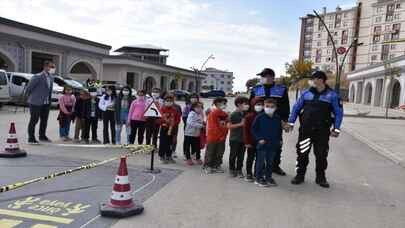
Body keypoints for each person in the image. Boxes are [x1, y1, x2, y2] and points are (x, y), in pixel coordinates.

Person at [287, 71, 343, 188]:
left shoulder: (332, 95)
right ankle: (300, 175)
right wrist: (291, 122)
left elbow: (338, 113)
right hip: (306, 130)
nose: (311, 81)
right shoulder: (306, 93)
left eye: (313, 79)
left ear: (321, 80)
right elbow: (296, 108)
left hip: (322, 131)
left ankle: (321, 177)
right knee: (302, 153)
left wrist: (336, 128)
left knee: (321, 154)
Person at [250, 68, 290, 176]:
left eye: (265, 76)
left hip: (276, 121)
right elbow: (251, 105)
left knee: (277, 144)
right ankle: (260, 166)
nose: (263, 78)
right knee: (260, 143)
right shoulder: (255, 89)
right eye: (262, 76)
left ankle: (275, 166)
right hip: (260, 121)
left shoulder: (281, 89)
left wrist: (285, 121)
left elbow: (286, 106)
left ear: (271, 77)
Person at [251, 98, 283, 187]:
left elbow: (279, 130)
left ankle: (268, 177)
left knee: (270, 162)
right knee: (260, 162)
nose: (269, 108)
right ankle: (258, 178)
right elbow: (253, 129)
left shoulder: (277, 118)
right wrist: (259, 139)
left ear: (275, 108)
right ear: (264, 107)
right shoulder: (259, 117)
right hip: (262, 144)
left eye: (272, 107)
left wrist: (280, 140)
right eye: (267, 106)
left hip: (273, 144)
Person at [25, 60, 55, 144]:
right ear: (45, 67)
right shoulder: (37, 76)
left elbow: (49, 90)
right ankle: (31, 138)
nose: (53, 69)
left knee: (44, 120)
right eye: (51, 67)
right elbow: (29, 88)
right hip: (35, 102)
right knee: (34, 120)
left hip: (46, 103)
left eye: (53, 67)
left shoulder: (51, 77)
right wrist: (33, 98)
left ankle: (42, 136)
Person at [204, 97, 229, 174]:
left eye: (225, 103)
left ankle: (217, 165)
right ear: (217, 103)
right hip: (213, 136)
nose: (225, 105)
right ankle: (208, 166)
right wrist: (220, 135)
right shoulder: (212, 113)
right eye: (223, 103)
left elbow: (227, 125)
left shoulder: (225, 114)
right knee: (210, 151)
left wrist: (224, 135)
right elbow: (213, 126)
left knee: (220, 152)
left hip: (222, 137)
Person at [227, 96, 249, 178]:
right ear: (239, 104)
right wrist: (240, 124)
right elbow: (228, 126)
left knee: (241, 156)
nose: (247, 105)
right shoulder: (233, 114)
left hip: (243, 139)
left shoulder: (246, 114)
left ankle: (239, 170)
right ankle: (232, 169)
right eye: (245, 104)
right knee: (233, 155)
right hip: (234, 139)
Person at [243, 97, 264, 182]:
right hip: (251, 142)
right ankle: (249, 173)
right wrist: (247, 142)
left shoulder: (264, 116)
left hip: (261, 142)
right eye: (258, 104)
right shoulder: (248, 116)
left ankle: (257, 173)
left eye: (262, 105)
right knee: (250, 158)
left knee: (260, 158)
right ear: (253, 105)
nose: (260, 106)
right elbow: (246, 131)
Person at [158, 95, 181, 164]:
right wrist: (163, 122)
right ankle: (161, 156)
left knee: (170, 143)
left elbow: (178, 119)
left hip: (172, 128)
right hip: (164, 128)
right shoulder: (162, 109)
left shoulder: (175, 110)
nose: (169, 102)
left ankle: (168, 156)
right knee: (162, 143)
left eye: (170, 101)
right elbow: (159, 119)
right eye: (167, 101)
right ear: (164, 102)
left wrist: (173, 124)